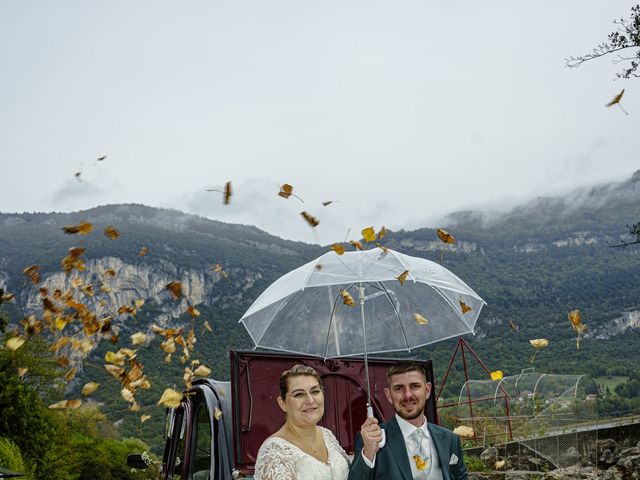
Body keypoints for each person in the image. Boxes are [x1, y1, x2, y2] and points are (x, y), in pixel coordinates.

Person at [349, 361, 467, 480]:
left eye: (415, 386)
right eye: (399, 388)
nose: (407, 395)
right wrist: (368, 453)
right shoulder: (373, 439)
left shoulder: (450, 439)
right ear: (389, 395)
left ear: (427, 390)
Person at [254, 364, 350, 480]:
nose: (310, 400)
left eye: (315, 391)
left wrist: (367, 450)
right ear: (282, 403)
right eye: (299, 394)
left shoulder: (327, 435)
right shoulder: (274, 453)